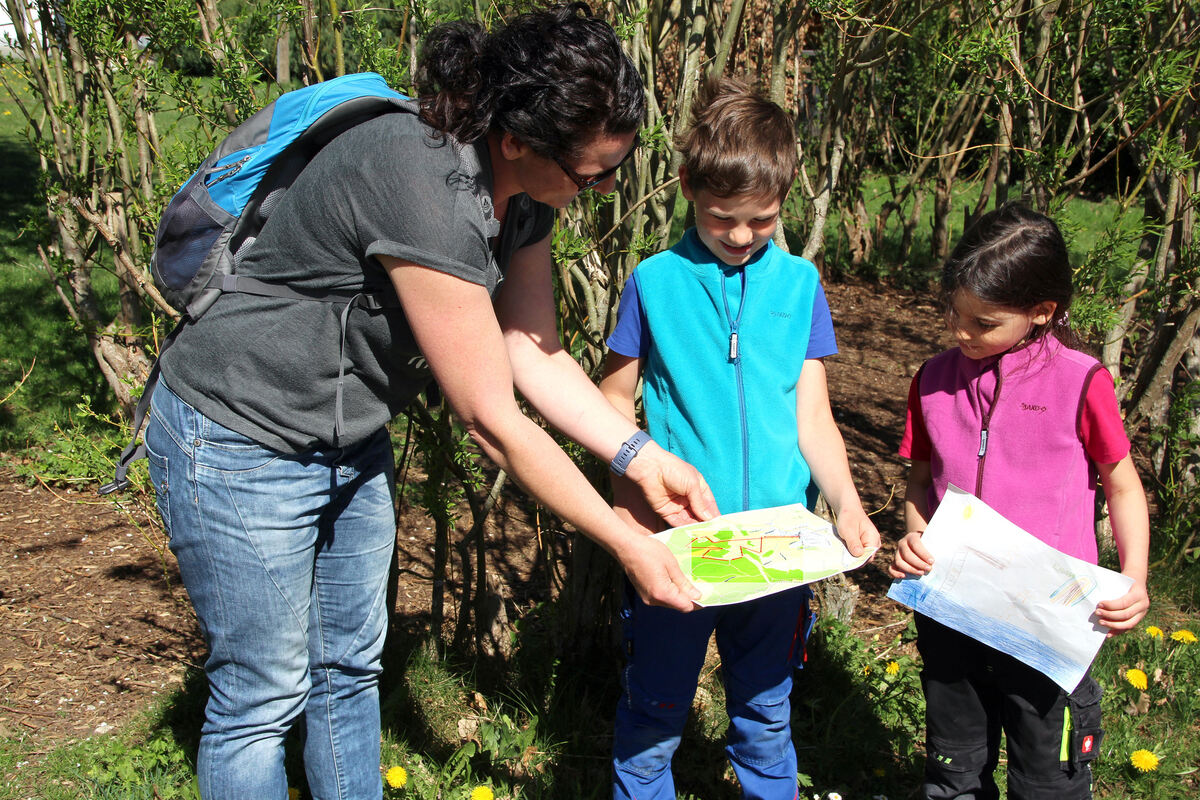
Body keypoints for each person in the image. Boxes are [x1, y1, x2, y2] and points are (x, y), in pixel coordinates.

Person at [144, 5, 719, 799]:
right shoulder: (423, 180)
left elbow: (532, 351)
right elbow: (491, 420)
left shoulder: (525, 196)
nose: (606, 188)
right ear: (517, 138)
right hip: (238, 436)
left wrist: (641, 456)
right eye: (593, 174)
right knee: (261, 696)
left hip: (348, 437)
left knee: (350, 668)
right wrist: (625, 540)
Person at [599, 76, 880, 800]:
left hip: (778, 551)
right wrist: (631, 522)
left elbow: (812, 417)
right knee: (655, 711)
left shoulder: (801, 285)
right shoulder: (653, 282)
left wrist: (848, 503)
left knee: (765, 713)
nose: (741, 236)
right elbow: (611, 403)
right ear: (687, 187)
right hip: (678, 546)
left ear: (785, 199)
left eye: (763, 220)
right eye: (722, 217)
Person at [888, 204, 1151, 800]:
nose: (962, 333)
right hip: (952, 612)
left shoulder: (1082, 382)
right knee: (954, 770)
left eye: (983, 323)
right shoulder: (932, 379)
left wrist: (1133, 577)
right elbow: (921, 479)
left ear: (1042, 312)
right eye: (954, 313)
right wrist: (915, 537)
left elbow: (1123, 485)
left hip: (1050, 625)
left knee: (1047, 780)